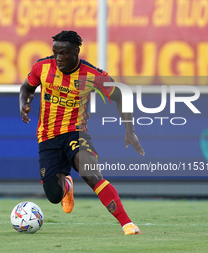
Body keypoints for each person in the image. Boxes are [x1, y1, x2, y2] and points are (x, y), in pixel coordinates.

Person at [19, 30, 145, 235]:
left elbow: (121, 95)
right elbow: (27, 88)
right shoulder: (42, 67)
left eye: (64, 53)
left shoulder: (92, 74)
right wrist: (24, 103)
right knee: (53, 195)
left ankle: (127, 224)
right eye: (55, 52)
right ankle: (66, 186)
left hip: (75, 133)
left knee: (90, 173)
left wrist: (130, 131)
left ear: (76, 51)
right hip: (47, 137)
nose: (58, 58)